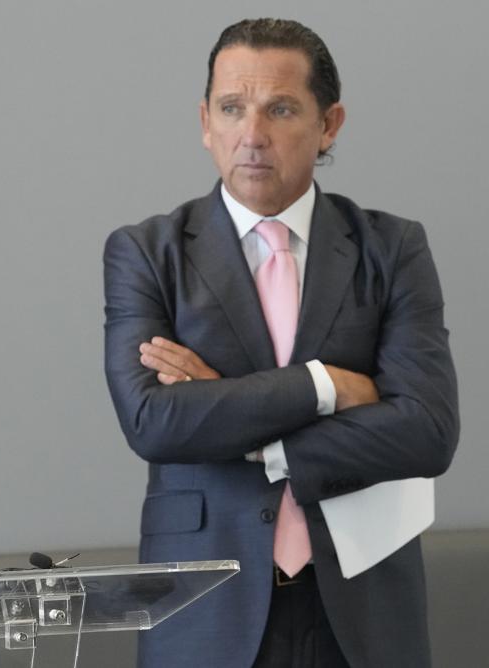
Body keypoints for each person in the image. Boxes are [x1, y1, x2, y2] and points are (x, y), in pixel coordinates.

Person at [103, 18, 458, 668]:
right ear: (206, 121)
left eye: (281, 109)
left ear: (329, 125)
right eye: (232, 109)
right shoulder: (145, 253)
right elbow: (155, 423)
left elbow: (428, 430)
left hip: (363, 609)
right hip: (205, 609)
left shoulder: (392, 248)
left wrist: (236, 420)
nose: (253, 135)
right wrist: (328, 386)